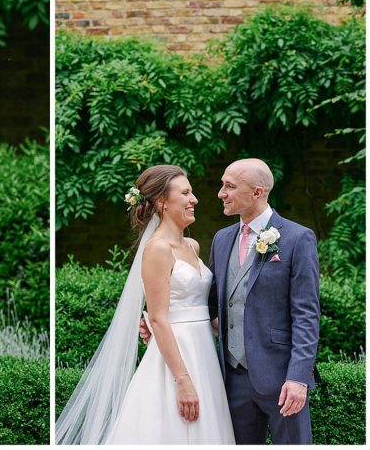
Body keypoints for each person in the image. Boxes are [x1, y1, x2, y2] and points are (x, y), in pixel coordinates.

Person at [56, 165, 234, 444]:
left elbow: (200, 310)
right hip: (177, 362)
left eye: (192, 192)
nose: (194, 199)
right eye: (185, 193)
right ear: (162, 202)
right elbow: (160, 318)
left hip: (204, 356)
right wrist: (183, 381)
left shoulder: (192, 246)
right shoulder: (157, 248)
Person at [205, 158, 319, 444]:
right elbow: (206, 303)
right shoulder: (221, 239)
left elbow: (306, 315)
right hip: (232, 379)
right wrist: (157, 323)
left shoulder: (297, 238)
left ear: (257, 192)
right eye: (222, 185)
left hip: (282, 378)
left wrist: (298, 378)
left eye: (229, 186)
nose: (221, 193)